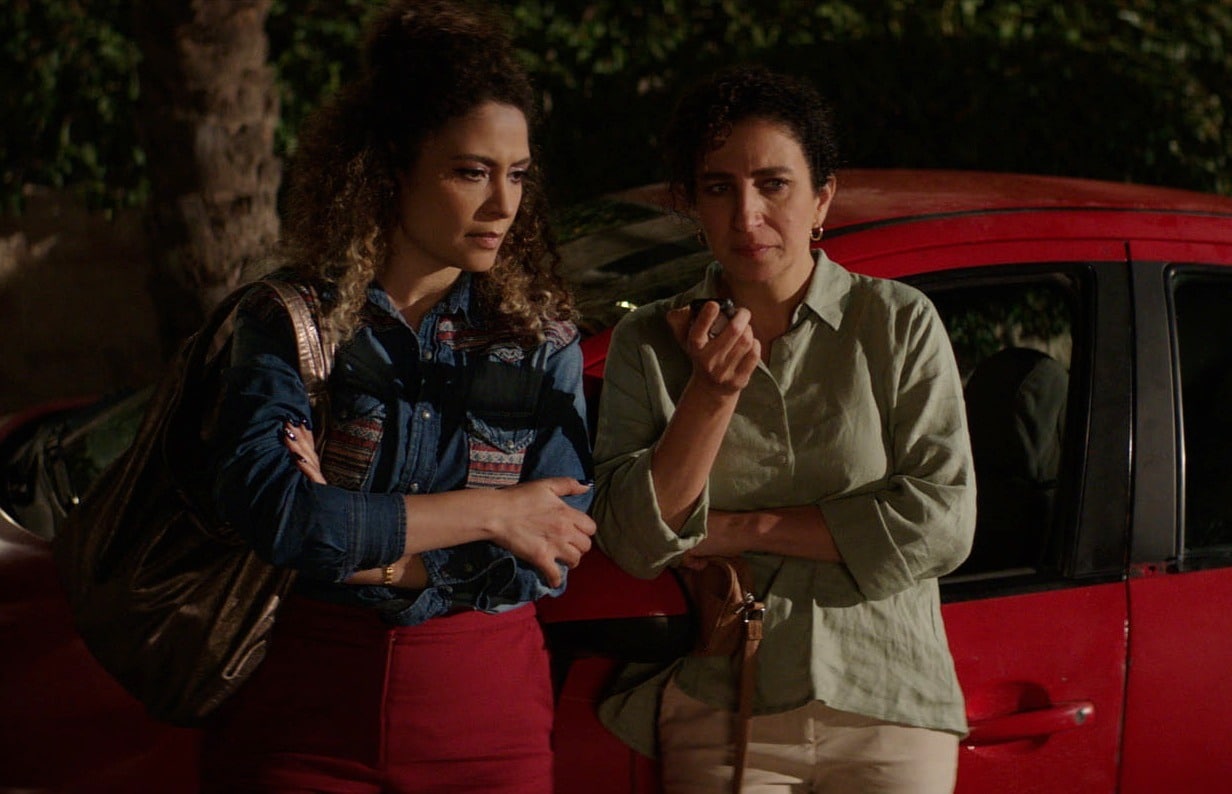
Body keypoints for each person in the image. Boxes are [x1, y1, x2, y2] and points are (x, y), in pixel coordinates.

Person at [199, 2, 596, 791]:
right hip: (300, 707)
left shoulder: (540, 342)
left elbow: (545, 558)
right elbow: (280, 517)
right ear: (389, 171)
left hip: (484, 712)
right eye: (470, 172)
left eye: (516, 174)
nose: (503, 205)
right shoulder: (291, 321)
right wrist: (494, 511)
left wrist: (360, 552)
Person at [591, 65, 976, 793]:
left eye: (773, 183)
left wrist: (739, 530)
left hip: (888, 704)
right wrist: (710, 393)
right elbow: (636, 543)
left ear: (822, 196)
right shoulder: (648, 342)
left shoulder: (894, 323)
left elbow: (942, 523)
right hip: (723, 704)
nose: (747, 215)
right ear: (691, 205)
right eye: (718, 187)